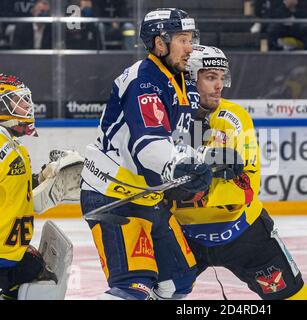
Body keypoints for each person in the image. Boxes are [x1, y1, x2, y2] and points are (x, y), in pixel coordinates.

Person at [79, 8, 213, 300]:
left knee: (178, 282)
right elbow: (149, 146)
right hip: (113, 197)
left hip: (148, 197)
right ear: (159, 43)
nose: (190, 47)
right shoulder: (144, 80)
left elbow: (188, 137)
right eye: (181, 39)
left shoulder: (184, 80)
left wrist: (216, 159)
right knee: (134, 287)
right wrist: (181, 165)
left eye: (191, 39)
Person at [166, 45, 307, 300]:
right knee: (148, 293)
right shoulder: (165, 118)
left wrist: (190, 188)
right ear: (189, 78)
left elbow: (245, 187)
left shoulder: (234, 117)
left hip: (244, 235)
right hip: (185, 236)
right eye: (211, 77)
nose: (219, 86)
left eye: (222, 78)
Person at [0, 74, 77, 299]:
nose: (27, 106)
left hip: (9, 254)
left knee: (39, 276)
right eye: (18, 101)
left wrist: (45, 177)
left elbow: (15, 190)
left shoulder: (14, 147)